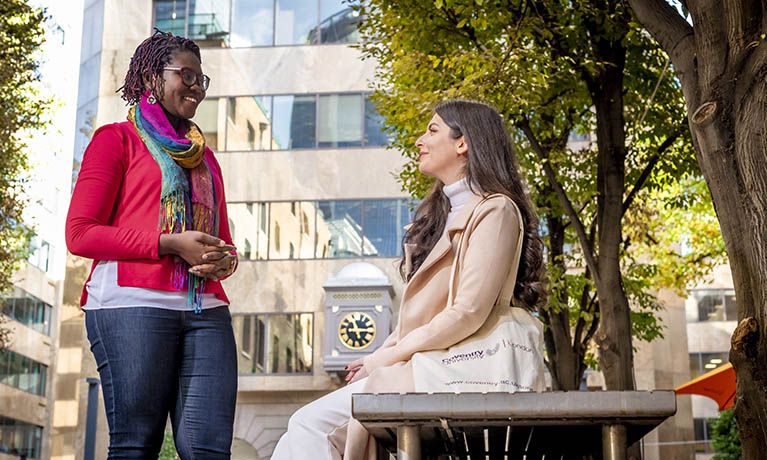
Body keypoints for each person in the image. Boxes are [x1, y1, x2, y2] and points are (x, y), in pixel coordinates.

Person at [271, 100, 546, 459]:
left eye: (432, 130)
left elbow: (468, 311)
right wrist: (378, 355)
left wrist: (383, 360)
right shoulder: (448, 215)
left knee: (310, 424)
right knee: (298, 433)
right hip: (437, 365)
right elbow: (423, 318)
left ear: (462, 143)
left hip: (464, 365)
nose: (420, 140)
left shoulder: (495, 209)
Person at [65, 30, 238, 459]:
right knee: (135, 445)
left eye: (202, 79)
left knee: (209, 449)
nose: (197, 87)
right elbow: (80, 233)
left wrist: (223, 260)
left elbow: (226, 245)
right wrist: (169, 243)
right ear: (150, 76)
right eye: (187, 75)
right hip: (130, 304)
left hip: (206, 308)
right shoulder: (115, 140)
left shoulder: (205, 157)